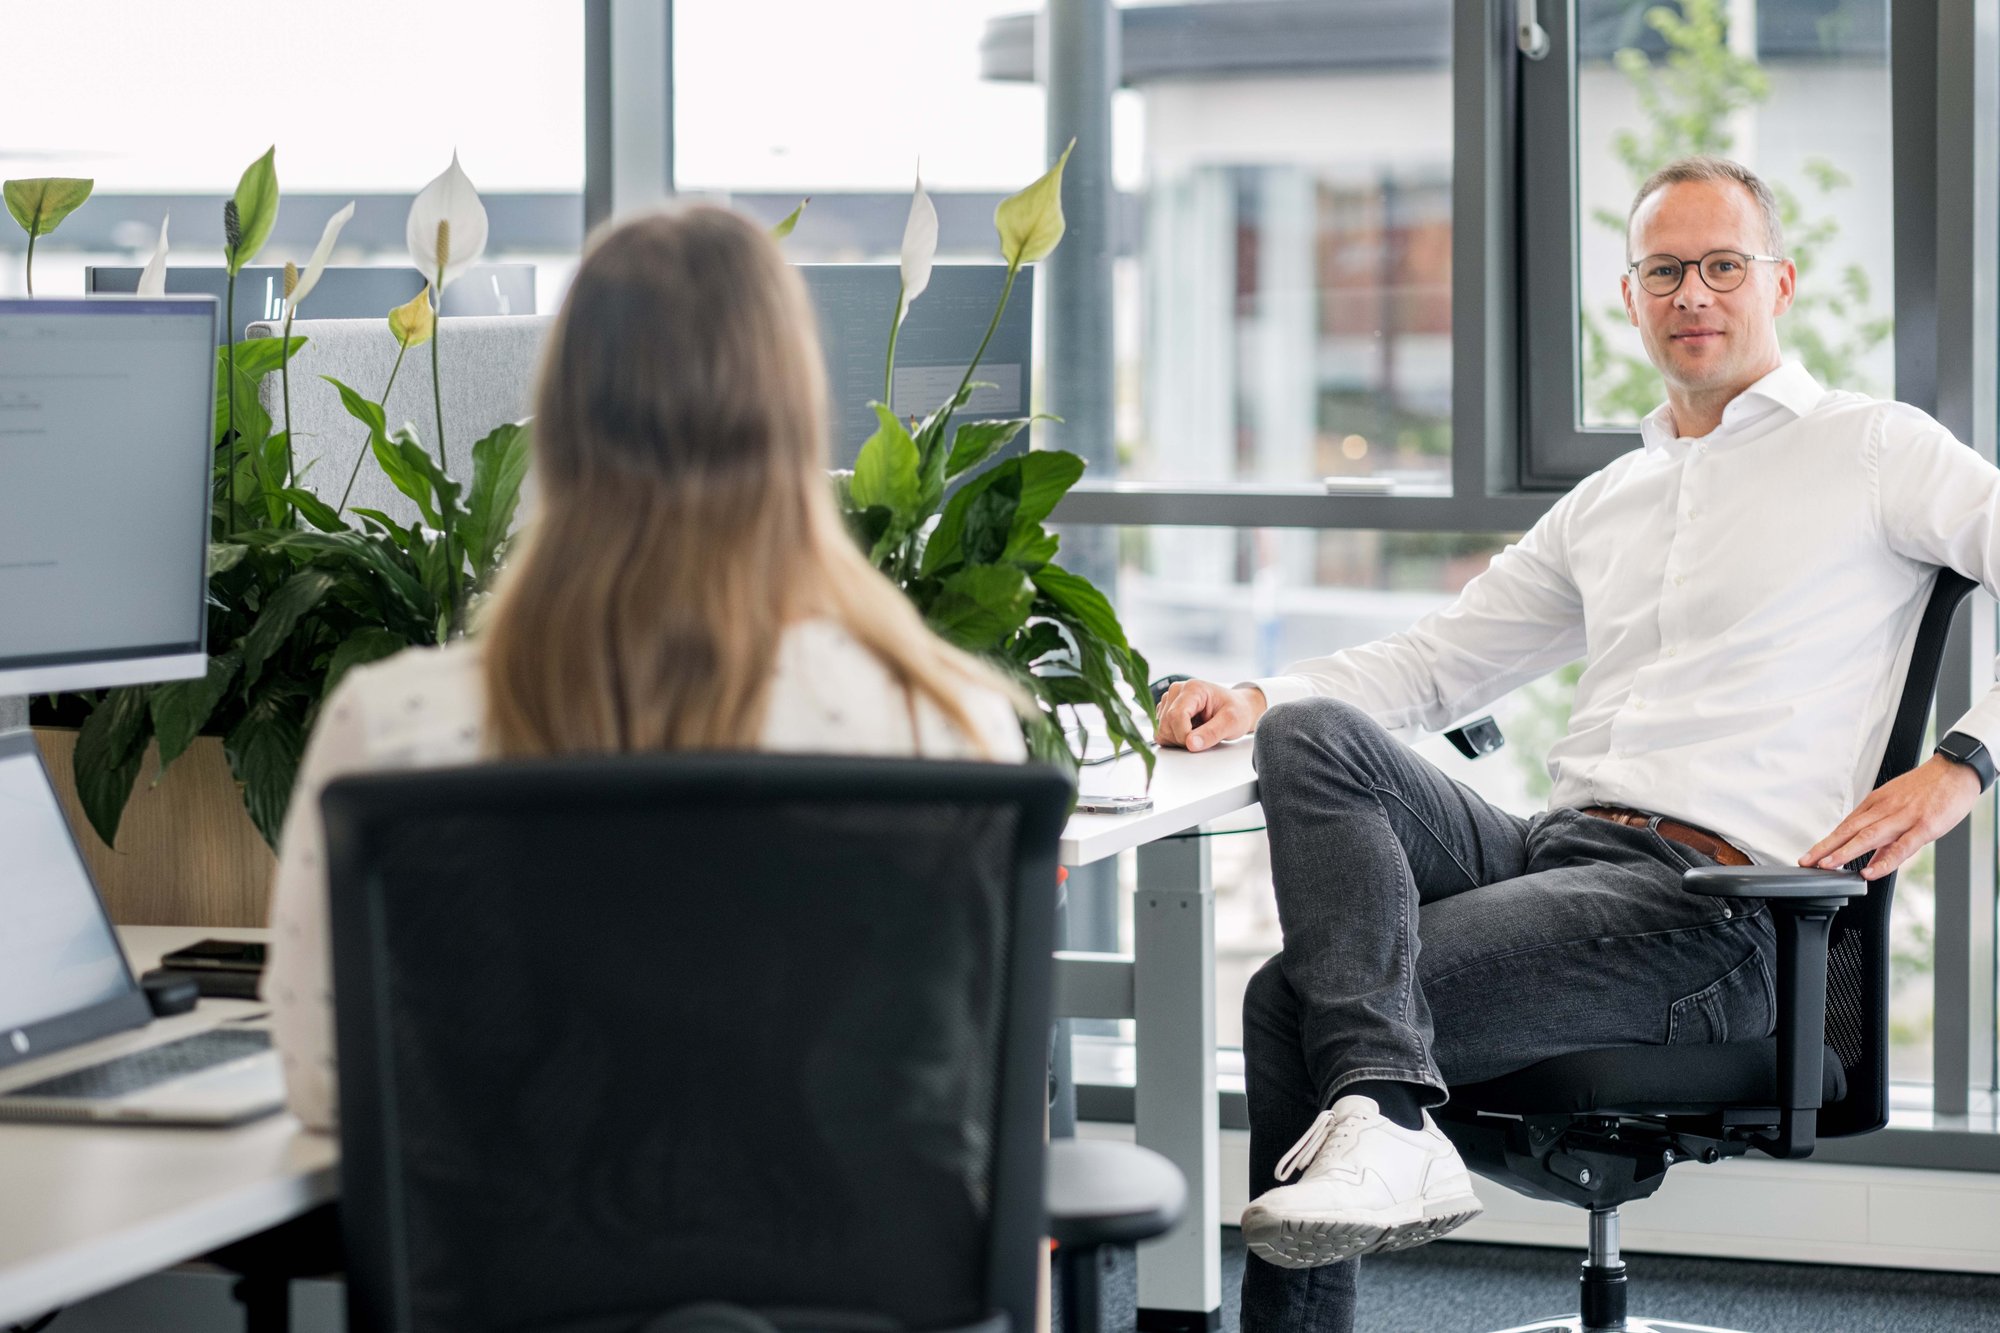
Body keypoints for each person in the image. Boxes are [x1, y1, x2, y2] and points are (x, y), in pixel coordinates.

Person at [1155, 155, 2000, 1331]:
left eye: (1720, 265)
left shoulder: (1872, 448)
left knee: (1291, 999)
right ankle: (1387, 1122)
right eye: (1663, 269)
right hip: (1556, 857)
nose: (1691, 293)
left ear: (1778, 283)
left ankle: (1378, 1138)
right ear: (1629, 294)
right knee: (1313, 735)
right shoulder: (1615, 495)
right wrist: (1252, 695)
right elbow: (1439, 660)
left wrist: (1962, 763)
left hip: (1711, 907)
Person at [264, 205, 1028, 1133]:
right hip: (840, 1278)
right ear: (794, 426)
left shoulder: (390, 730)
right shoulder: (943, 726)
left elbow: (325, 1087)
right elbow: (966, 1125)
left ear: (562, 422)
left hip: (520, 1275)